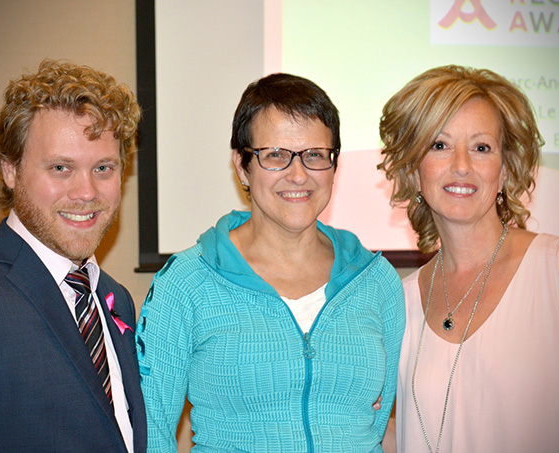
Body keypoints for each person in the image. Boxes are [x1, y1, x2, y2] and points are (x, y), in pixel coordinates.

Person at [135, 73, 405, 451]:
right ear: (243, 166)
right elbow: (151, 429)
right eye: (275, 155)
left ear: (334, 165)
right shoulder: (185, 282)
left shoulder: (377, 282)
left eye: (315, 155)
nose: (298, 175)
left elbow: (374, 424)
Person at [0, 59, 146, 452]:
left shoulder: (116, 300)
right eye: (61, 167)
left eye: (104, 168)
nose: (86, 192)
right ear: (10, 170)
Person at [378, 64, 559, 452]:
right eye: (439, 145)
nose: (462, 165)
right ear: (414, 170)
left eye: (481, 147)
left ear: (504, 170)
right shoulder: (399, 300)